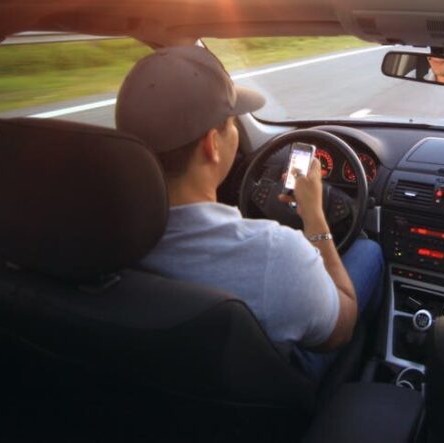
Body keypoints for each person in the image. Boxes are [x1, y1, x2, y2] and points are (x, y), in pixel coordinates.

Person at [115, 45, 384, 380]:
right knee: (369, 252)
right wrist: (314, 215)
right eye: (232, 125)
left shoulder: (95, 235)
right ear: (211, 145)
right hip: (272, 398)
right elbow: (340, 327)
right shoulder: (275, 252)